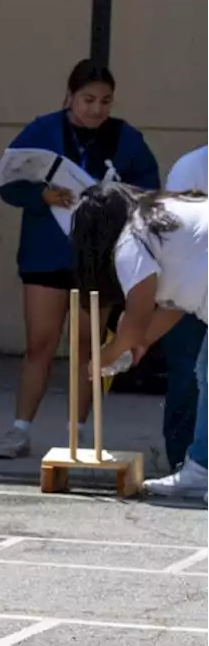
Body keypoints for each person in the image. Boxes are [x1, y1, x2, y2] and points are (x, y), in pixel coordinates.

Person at [0, 59, 159, 459]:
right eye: (88, 99)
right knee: (40, 344)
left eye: (105, 100)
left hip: (98, 259)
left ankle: (78, 431)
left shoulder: (126, 138)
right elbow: (7, 183)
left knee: (87, 346)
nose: (96, 109)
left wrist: (117, 199)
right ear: (69, 97)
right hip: (45, 254)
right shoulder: (43, 130)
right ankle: (19, 428)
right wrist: (40, 196)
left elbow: (150, 191)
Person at [72, 181, 209, 504]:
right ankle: (201, 468)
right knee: (206, 373)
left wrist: (104, 356)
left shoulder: (131, 240)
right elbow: (174, 305)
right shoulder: (159, 217)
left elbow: (136, 315)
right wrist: (141, 342)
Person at [141, 145, 209, 494]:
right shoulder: (192, 166)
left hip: (198, 286)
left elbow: (168, 306)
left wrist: (132, 344)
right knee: (196, 374)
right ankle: (195, 463)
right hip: (198, 286)